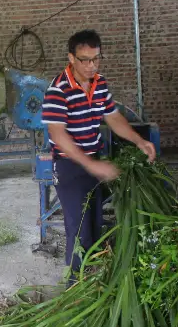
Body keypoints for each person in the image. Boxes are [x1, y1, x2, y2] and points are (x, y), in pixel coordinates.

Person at [41, 30, 156, 284]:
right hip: (70, 166)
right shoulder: (58, 90)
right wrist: (92, 165)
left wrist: (139, 140)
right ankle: (75, 285)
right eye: (85, 59)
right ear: (71, 58)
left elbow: (113, 117)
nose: (92, 65)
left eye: (96, 58)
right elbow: (58, 136)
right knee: (78, 228)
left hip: (93, 159)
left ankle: (92, 277)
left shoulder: (99, 83)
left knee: (94, 224)